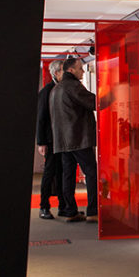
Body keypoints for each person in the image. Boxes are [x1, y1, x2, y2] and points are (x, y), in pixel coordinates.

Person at [49, 55, 98, 223]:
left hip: (63, 140)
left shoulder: (56, 89)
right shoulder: (73, 86)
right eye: (80, 68)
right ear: (71, 70)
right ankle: (93, 211)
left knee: (68, 176)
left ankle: (70, 211)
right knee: (91, 173)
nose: (83, 71)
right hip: (78, 138)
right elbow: (94, 102)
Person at [35, 60, 65, 219]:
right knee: (50, 172)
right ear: (56, 73)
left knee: (61, 172)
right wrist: (41, 142)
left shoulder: (61, 89)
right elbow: (41, 118)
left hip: (62, 139)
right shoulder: (47, 91)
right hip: (51, 140)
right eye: (64, 70)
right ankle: (44, 207)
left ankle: (63, 206)